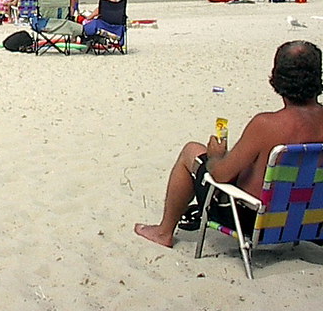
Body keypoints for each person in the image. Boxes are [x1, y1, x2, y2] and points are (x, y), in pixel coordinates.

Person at [135, 40, 323, 248]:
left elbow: (220, 175)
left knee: (192, 151)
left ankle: (163, 232)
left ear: (277, 78)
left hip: (254, 221)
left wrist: (216, 156)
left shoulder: (266, 125)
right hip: (309, 220)